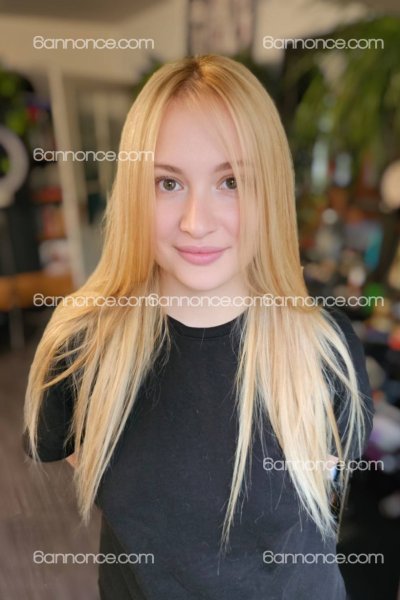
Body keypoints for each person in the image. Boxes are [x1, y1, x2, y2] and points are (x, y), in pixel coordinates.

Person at [22, 54, 374, 600]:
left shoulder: (323, 350)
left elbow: (325, 488)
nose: (196, 221)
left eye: (230, 181)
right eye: (168, 183)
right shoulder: (81, 346)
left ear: (269, 192)